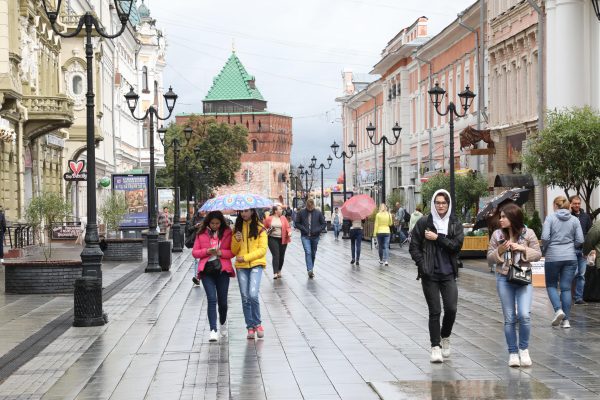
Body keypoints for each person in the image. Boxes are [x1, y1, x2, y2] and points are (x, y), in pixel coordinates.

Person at [409, 189, 464, 363]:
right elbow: (414, 246)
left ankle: (445, 336)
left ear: (448, 205)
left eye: (444, 203)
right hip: (430, 274)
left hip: (448, 273)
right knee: (435, 311)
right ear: (433, 204)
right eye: (438, 202)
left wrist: (438, 237)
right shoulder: (424, 222)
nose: (441, 205)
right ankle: (435, 347)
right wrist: (422, 264)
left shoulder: (454, 223)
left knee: (451, 309)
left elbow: (456, 246)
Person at [487, 203, 541, 367]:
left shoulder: (528, 233)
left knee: (524, 315)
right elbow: (489, 258)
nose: (500, 220)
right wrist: (500, 251)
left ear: (513, 217)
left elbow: (538, 254)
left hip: (523, 276)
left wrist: (522, 248)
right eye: (500, 216)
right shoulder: (497, 235)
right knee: (510, 318)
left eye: (504, 217)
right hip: (504, 278)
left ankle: (523, 349)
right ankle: (512, 352)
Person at [192, 211, 235, 342]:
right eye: (212, 223)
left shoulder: (227, 233)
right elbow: (195, 252)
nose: (215, 225)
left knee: (222, 302)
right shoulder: (201, 233)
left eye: (217, 223)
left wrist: (220, 252)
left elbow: (232, 252)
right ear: (208, 223)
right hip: (207, 271)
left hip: (222, 270)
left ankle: (222, 323)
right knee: (211, 299)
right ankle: (213, 330)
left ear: (221, 222)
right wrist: (207, 251)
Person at [541, 195, 584, 329]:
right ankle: (566, 321)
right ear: (568, 206)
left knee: (551, 285)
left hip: (553, 257)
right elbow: (580, 240)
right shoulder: (574, 220)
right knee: (566, 288)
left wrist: (546, 248)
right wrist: (571, 247)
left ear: (555, 205)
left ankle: (558, 310)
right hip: (570, 257)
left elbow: (545, 237)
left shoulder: (550, 218)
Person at [232, 208, 268, 339]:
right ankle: (250, 327)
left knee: (253, 294)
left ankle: (258, 323)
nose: (244, 214)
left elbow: (262, 250)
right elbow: (233, 250)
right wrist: (236, 239)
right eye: (241, 211)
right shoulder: (237, 228)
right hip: (241, 266)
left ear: (252, 212)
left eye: (246, 211)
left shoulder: (260, 228)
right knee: (245, 296)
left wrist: (246, 257)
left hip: (256, 264)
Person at [295, 198, 326, 278]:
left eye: (311, 207)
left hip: (315, 236)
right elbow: (297, 223)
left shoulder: (318, 213)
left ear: (313, 205)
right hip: (305, 236)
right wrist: (303, 229)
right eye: (309, 207)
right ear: (306, 205)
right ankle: (310, 270)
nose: (310, 208)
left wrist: (317, 230)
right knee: (308, 252)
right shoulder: (301, 212)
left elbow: (323, 224)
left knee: (313, 253)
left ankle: (311, 267)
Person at [570, 195, 592, 305]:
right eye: (574, 203)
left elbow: (590, 233)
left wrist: (589, 249)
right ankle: (566, 295)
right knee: (573, 273)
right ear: (570, 204)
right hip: (571, 250)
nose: (577, 205)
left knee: (581, 275)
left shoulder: (586, 217)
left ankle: (579, 298)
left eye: (578, 203)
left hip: (583, 250)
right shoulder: (568, 216)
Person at [264, 204, 292, 279]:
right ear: (275, 211)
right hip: (272, 238)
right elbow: (264, 227)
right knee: (276, 255)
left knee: (281, 256)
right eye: (280, 209)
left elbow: (288, 227)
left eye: (281, 209)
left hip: (283, 239)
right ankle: (275, 273)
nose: (281, 210)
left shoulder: (283, 218)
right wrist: (268, 230)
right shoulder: (269, 218)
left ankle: (279, 270)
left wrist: (289, 232)